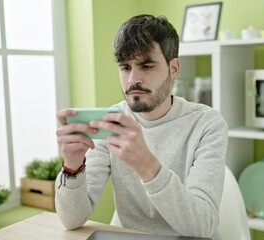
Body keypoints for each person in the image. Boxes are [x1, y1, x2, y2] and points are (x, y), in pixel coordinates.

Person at [55, 14, 228, 240]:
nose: (132, 79)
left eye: (146, 65)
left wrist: (147, 165)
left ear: (174, 68)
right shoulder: (112, 121)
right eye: (125, 67)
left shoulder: (207, 124)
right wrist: (72, 166)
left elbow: (202, 228)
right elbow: (71, 221)